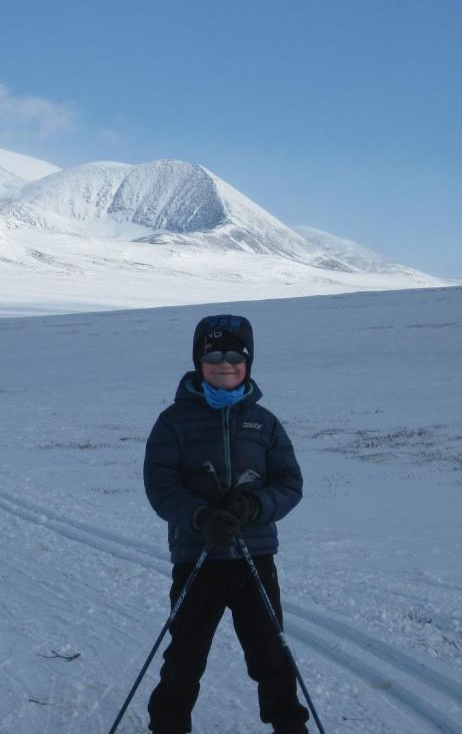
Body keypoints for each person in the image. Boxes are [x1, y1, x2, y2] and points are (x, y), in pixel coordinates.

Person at [143, 314, 309, 734]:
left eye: (236, 355)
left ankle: (290, 726)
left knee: (270, 652)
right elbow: (160, 487)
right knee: (186, 653)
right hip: (197, 556)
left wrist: (254, 507)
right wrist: (200, 516)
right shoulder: (174, 422)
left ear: (248, 362)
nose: (225, 363)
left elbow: (290, 483)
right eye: (214, 354)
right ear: (199, 361)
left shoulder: (264, 422)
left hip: (255, 555)